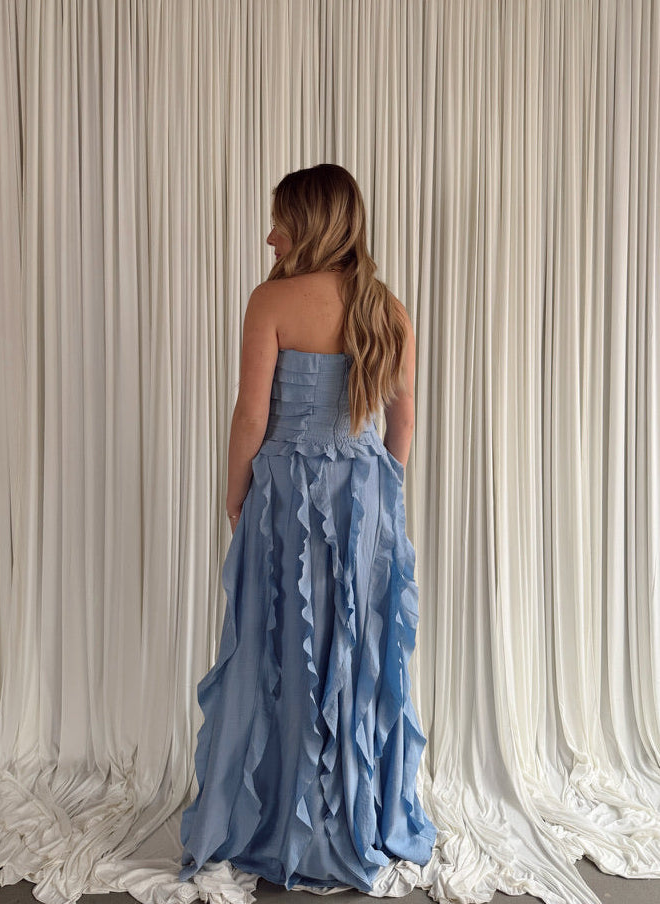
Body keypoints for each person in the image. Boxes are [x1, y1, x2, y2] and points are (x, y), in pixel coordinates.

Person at [179, 163, 436, 892]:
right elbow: (403, 421)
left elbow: (251, 416)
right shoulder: (390, 309)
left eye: (279, 222)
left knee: (282, 648)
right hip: (364, 502)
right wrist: (378, 496)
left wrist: (236, 495)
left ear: (311, 224)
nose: (269, 236)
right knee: (351, 656)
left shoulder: (273, 300)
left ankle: (275, 817)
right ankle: (352, 816)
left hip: (287, 495)